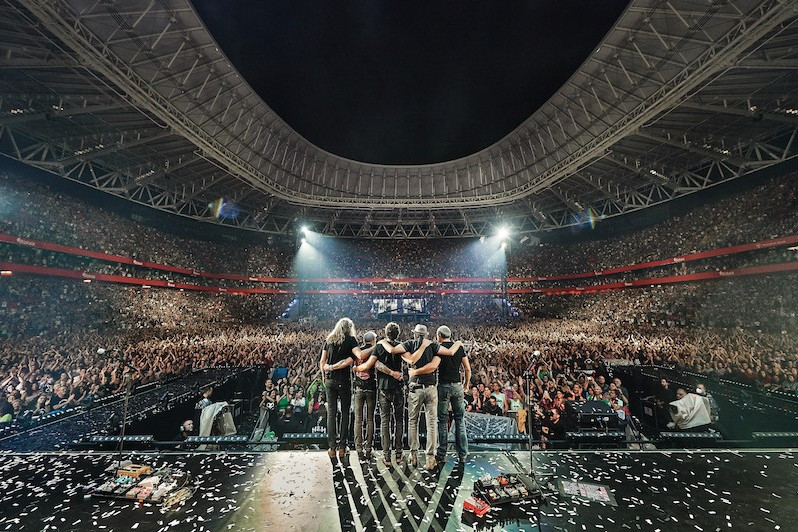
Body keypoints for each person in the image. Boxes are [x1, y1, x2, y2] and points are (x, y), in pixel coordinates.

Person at [381, 323, 461, 470]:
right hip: (430, 389)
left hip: (415, 388)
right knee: (432, 424)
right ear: (426, 334)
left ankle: (413, 455)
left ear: (415, 334)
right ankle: (430, 458)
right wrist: (459, 343)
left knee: (413, 422)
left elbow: (392, 350)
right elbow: (449, 353)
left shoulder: (409, 344)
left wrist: (381, 342)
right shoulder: (433, 345)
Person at [319, 317, 375, 459]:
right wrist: (375, 346)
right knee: (345, 414)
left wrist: (325, 374)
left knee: (331, 414)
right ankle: (342, 447)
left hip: (330, 380)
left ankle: (332, 448)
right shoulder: (350, 340)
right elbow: (358, 356)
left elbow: (322, 362)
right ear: (350, 328)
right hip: (343, 380)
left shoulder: (329, 340)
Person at [415, 326, 470, 464]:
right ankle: (463, 454)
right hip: (457, 386)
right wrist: (465, 384)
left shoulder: (439, 349)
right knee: (459, 420)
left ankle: (441, 454)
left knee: (442, 420)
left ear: (439, 335)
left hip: (443, 386)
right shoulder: (458, 347)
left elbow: (433, 366)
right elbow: (467, 369)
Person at [358, 322, 404, 466]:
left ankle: (387, 457)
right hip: (398, 387)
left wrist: (357, 368)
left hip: (383, 388)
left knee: (385, 422)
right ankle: (398, 454)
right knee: (399, 421)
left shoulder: (379, 346)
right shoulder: (401, 346)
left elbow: (375, 364)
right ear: (398, 334)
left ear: (385, 333)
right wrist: (396, 374)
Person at [351, 331, 377, 460]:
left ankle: (358, 449)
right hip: (371, 387)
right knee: (370, 419)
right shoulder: (375, 350)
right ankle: (368, 449)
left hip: (358, 388)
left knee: (358, 419)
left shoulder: (357, 351)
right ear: (373, 341)